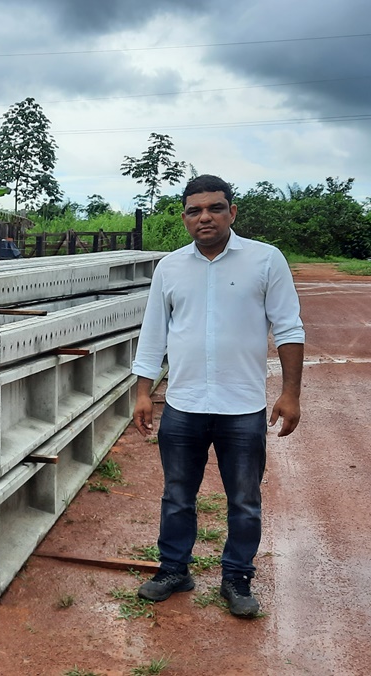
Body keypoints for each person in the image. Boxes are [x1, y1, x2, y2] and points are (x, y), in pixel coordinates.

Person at [131, 174, 304, 617]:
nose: (204, 216)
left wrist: (290, 393)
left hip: (241, 408)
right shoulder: (170, 267)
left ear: (232, 212)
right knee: (176, 494)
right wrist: (143, 393)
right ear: (185, 218)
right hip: (184, 406)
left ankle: (237, 577)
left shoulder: (266, 260)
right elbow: (153, 335)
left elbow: (288, 328)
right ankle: (174, 569)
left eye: (214, 207)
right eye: (194, 210)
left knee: (244, 498)